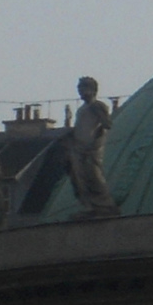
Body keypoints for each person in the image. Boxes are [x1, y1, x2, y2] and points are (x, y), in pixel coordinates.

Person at [63, 76, 119, 219]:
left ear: (93, 90)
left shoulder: (97, 106)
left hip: (91, 148)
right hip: (78, 148)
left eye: (83, 88)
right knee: (80, 178)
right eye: (79, 89)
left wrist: (96, 140)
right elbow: (80, 128)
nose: (80, 92)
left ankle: (104, 204)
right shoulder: (81, 110)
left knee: (93, 176)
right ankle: (89, 206)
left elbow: (107, 124)